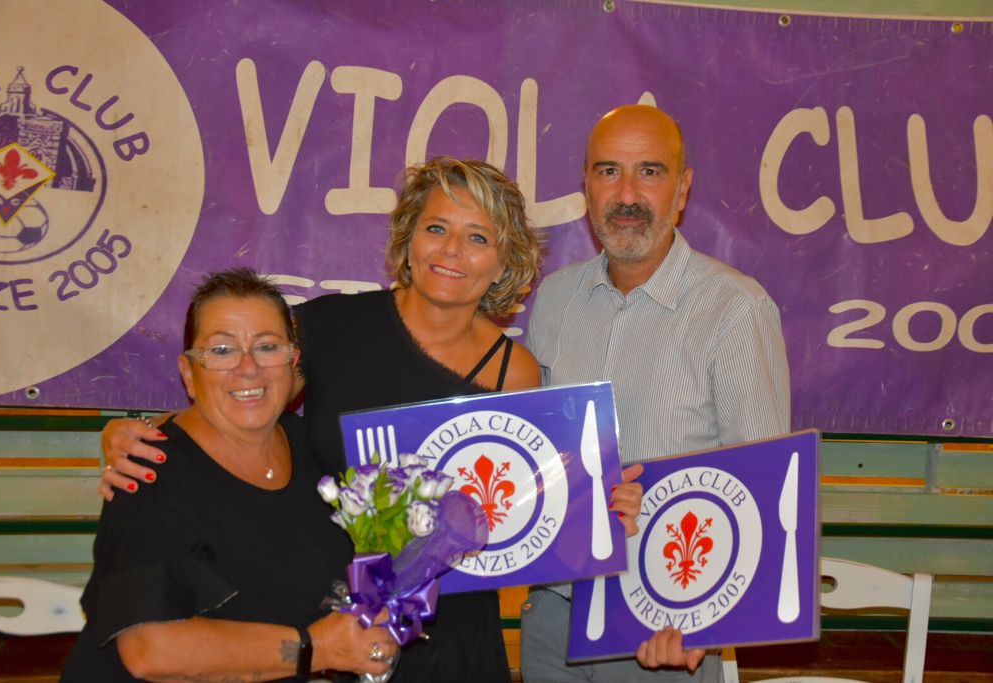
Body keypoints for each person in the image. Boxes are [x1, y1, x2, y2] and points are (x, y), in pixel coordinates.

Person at [98, 157, 644, 682]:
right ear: (409, 237)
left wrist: (596, 504)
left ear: (504, 261)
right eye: (436, 228)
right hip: (332, 627)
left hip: (455, 635)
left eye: (478, 237)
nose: (451, 250)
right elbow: (238, 403)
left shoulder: (513, 370)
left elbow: (526, 504)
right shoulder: (325, 328)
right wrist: (134, 435)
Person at [521, 104, 791, 682]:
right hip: (552, 614)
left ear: (683, 187)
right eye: (608, 171)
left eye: (649, 171)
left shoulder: (735, 309)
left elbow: (763, 490)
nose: (626, 194)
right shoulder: (555, 299)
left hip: (667, 627)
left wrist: (709, 624)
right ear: (586, 186)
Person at [62, 268, 397, 681]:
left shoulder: (314, 447)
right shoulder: (147, 471)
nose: (248, 368)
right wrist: (316, 648)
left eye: (267, 346)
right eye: (222, 350)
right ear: (189, 373)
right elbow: (150, 649)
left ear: (293, 362)